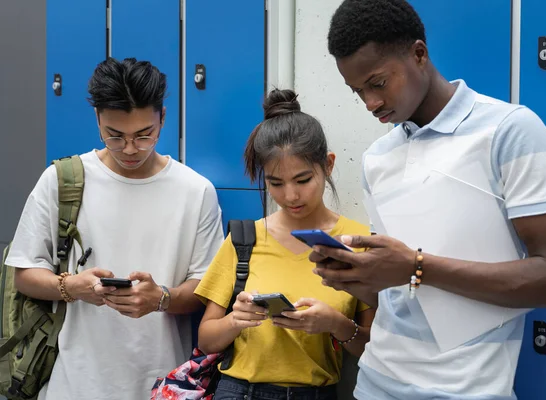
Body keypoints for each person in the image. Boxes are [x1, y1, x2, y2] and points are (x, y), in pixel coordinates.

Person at [309, 1, 546, 399]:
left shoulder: (511, 132)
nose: (370, 103)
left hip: (466, 390)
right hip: (375, 383)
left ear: (419, 54)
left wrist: (417, 266)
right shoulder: (377, 158)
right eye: (357, 92)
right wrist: (354, 275)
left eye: (378, 83)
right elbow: (397, 294)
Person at [5, 58, 224, 400]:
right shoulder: (62, 181)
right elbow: (24, 274)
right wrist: (72, 287)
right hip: (73, 383)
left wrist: (161, 299)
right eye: (115, 136)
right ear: (98, 120)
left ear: (163, 118)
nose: (130, 149)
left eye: (144, 135)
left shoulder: (196, 191)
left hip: (162, 384)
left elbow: (206, 289)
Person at [194, 89, 376, 400]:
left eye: (303, 180)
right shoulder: (243, 239)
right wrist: (235, 321)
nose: (290, 196)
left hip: (316, 393)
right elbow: (207, 339)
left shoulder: (358, 243)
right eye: (275, 183)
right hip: (238, 391)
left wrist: (335, 323)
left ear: (328, 165)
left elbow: (374, 351)